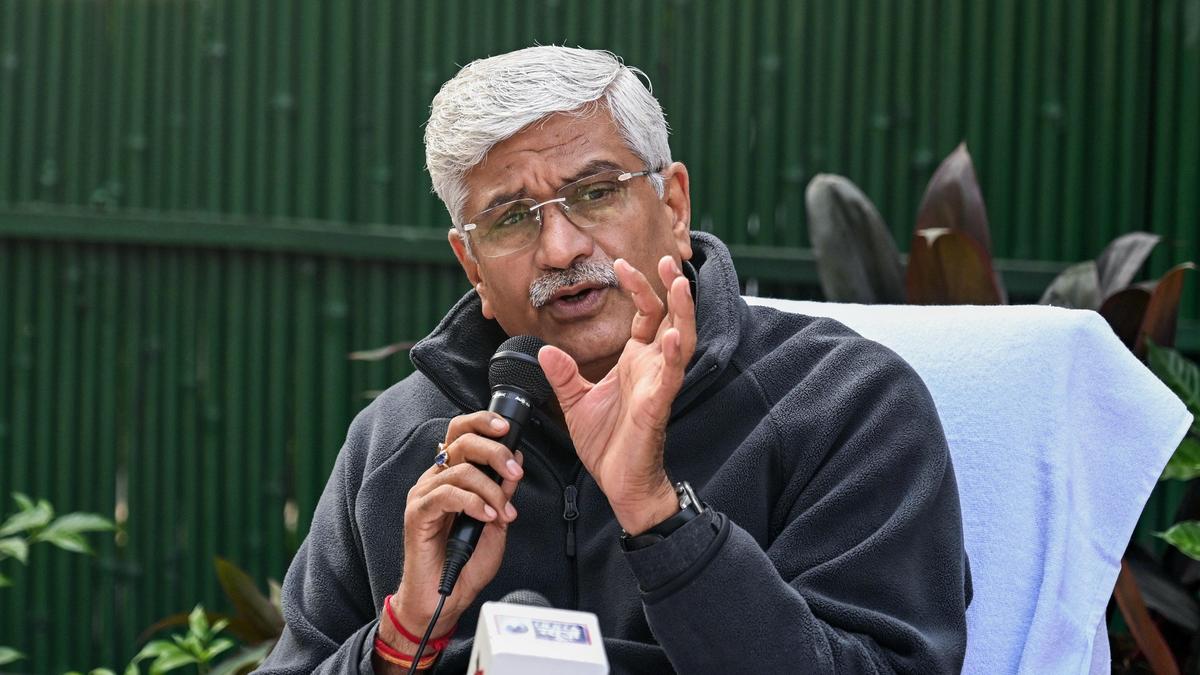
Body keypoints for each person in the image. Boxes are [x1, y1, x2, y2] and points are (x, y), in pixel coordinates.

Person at [257, 46, 970, 674]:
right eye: (511, 218)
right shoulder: (399, 440)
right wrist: (404, 636)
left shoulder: (845, 402)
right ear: (472, 266)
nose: (560, 248)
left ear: (675, 206)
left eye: (595, 193)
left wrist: (661, 520)